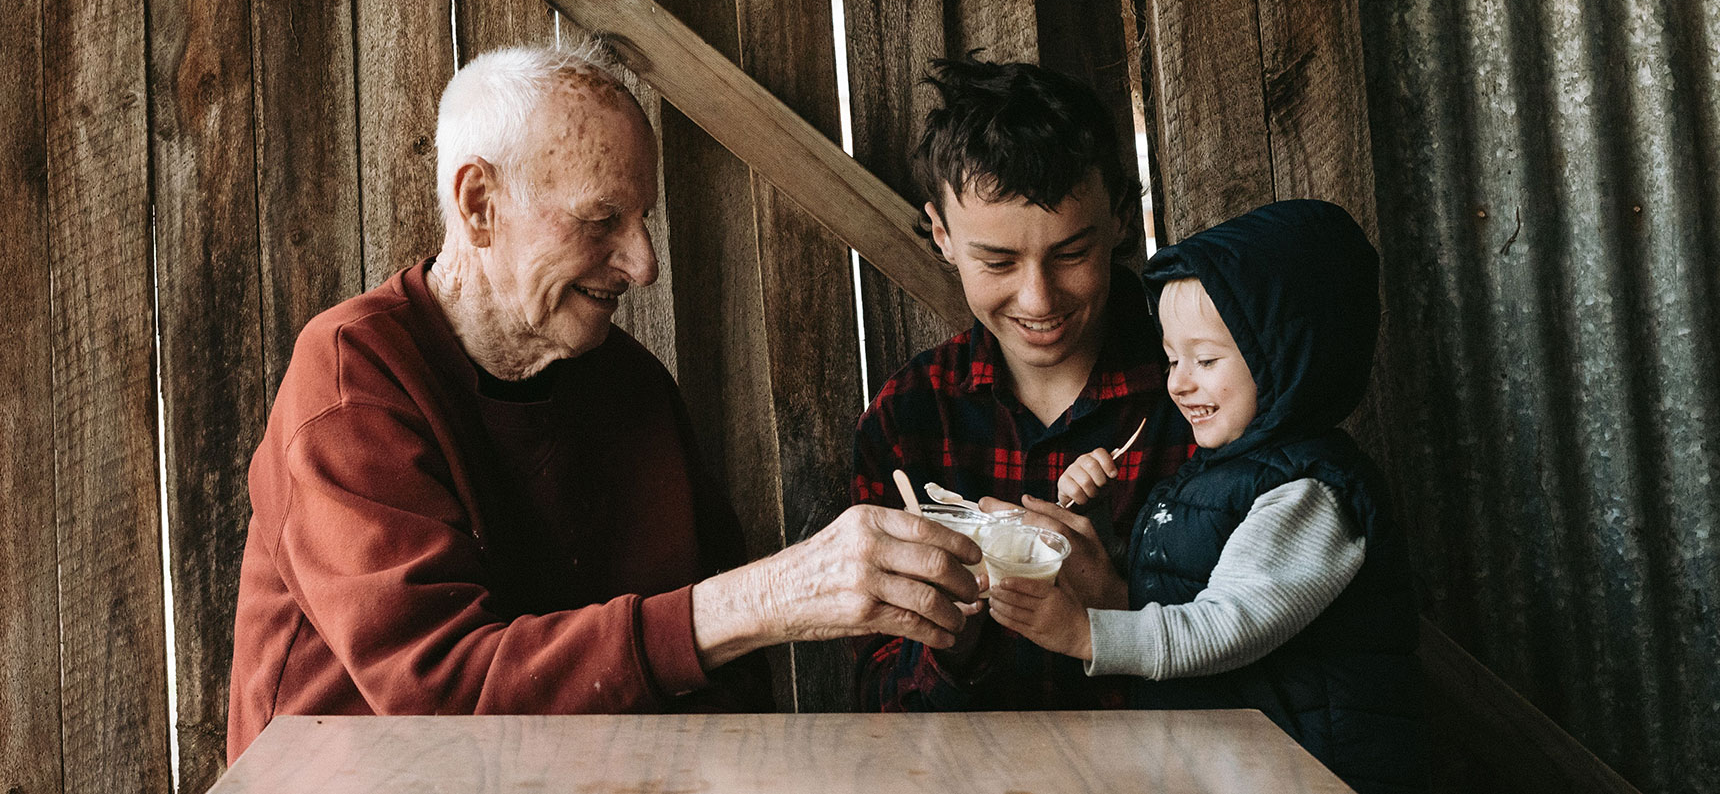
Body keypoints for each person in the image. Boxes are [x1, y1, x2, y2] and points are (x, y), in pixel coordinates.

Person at [227, 42, 984, 761]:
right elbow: (442, 697)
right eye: (601, 221)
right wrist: (768, 595)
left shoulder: (633, 388)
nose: (643, 263)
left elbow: (723, 683)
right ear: (479, 203)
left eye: (642, 218)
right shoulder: (351, 379)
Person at [987, 199, 1427, 794]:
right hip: (1239, 768)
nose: (1178, 381)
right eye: (1172, 358)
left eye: (1207, 359)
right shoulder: (1217, 474)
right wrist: (1095, 524)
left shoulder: (1308, 494)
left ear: (1285, 356)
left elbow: (1226, 624)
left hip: (1315, 771)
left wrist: (1087, 635)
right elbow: (1173, 589)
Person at [851, 56, 1190, 712]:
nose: (1038, 297)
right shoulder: (907, 419)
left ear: (1121, 218)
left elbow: (1280, 671)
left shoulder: (1203, 392)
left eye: (1071, 252)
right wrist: (953, 633)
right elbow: (878, 706)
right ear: (944, 235)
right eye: (998, 261)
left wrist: (1115, 610)